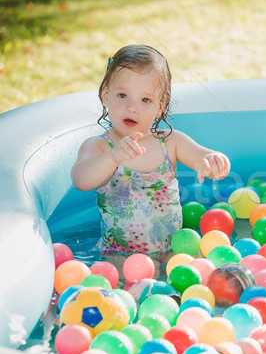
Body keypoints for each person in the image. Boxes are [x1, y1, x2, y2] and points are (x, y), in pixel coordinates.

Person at [71, 45, 230, 254]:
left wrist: (214, 162)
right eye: (122, 95)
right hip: (119, 258)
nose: (132, 107)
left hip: (173, 254)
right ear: (105, 95)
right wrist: (112, 157)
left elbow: (205, 157)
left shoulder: (171, 142)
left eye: (146, 99)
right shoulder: (100, 146)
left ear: (161, 106)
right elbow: (81, 180)